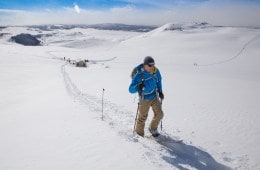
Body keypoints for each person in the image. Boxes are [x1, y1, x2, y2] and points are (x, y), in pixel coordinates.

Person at [129, 56, 164, 137]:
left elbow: (159, 81)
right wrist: (138, 87)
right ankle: (139, 134)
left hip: (154, 95)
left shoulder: (155, 71)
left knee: (160, 114)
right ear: (145, 65)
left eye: (153, 65)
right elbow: (130, 89)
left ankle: (153, 128)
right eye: (150, 65)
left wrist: (160, 91)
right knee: (142, 118)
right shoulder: (139, 75)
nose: (152, 67)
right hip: (144, 98)